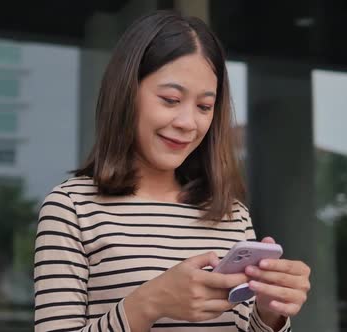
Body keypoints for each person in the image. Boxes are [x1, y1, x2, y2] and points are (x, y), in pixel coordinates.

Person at [34, 10, 311, 332]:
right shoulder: (71, 207)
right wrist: (150, 302)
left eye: (204, 106)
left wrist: (270, 312)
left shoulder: (231, 213)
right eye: (170, 99)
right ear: (126, 94)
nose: (187, 123)